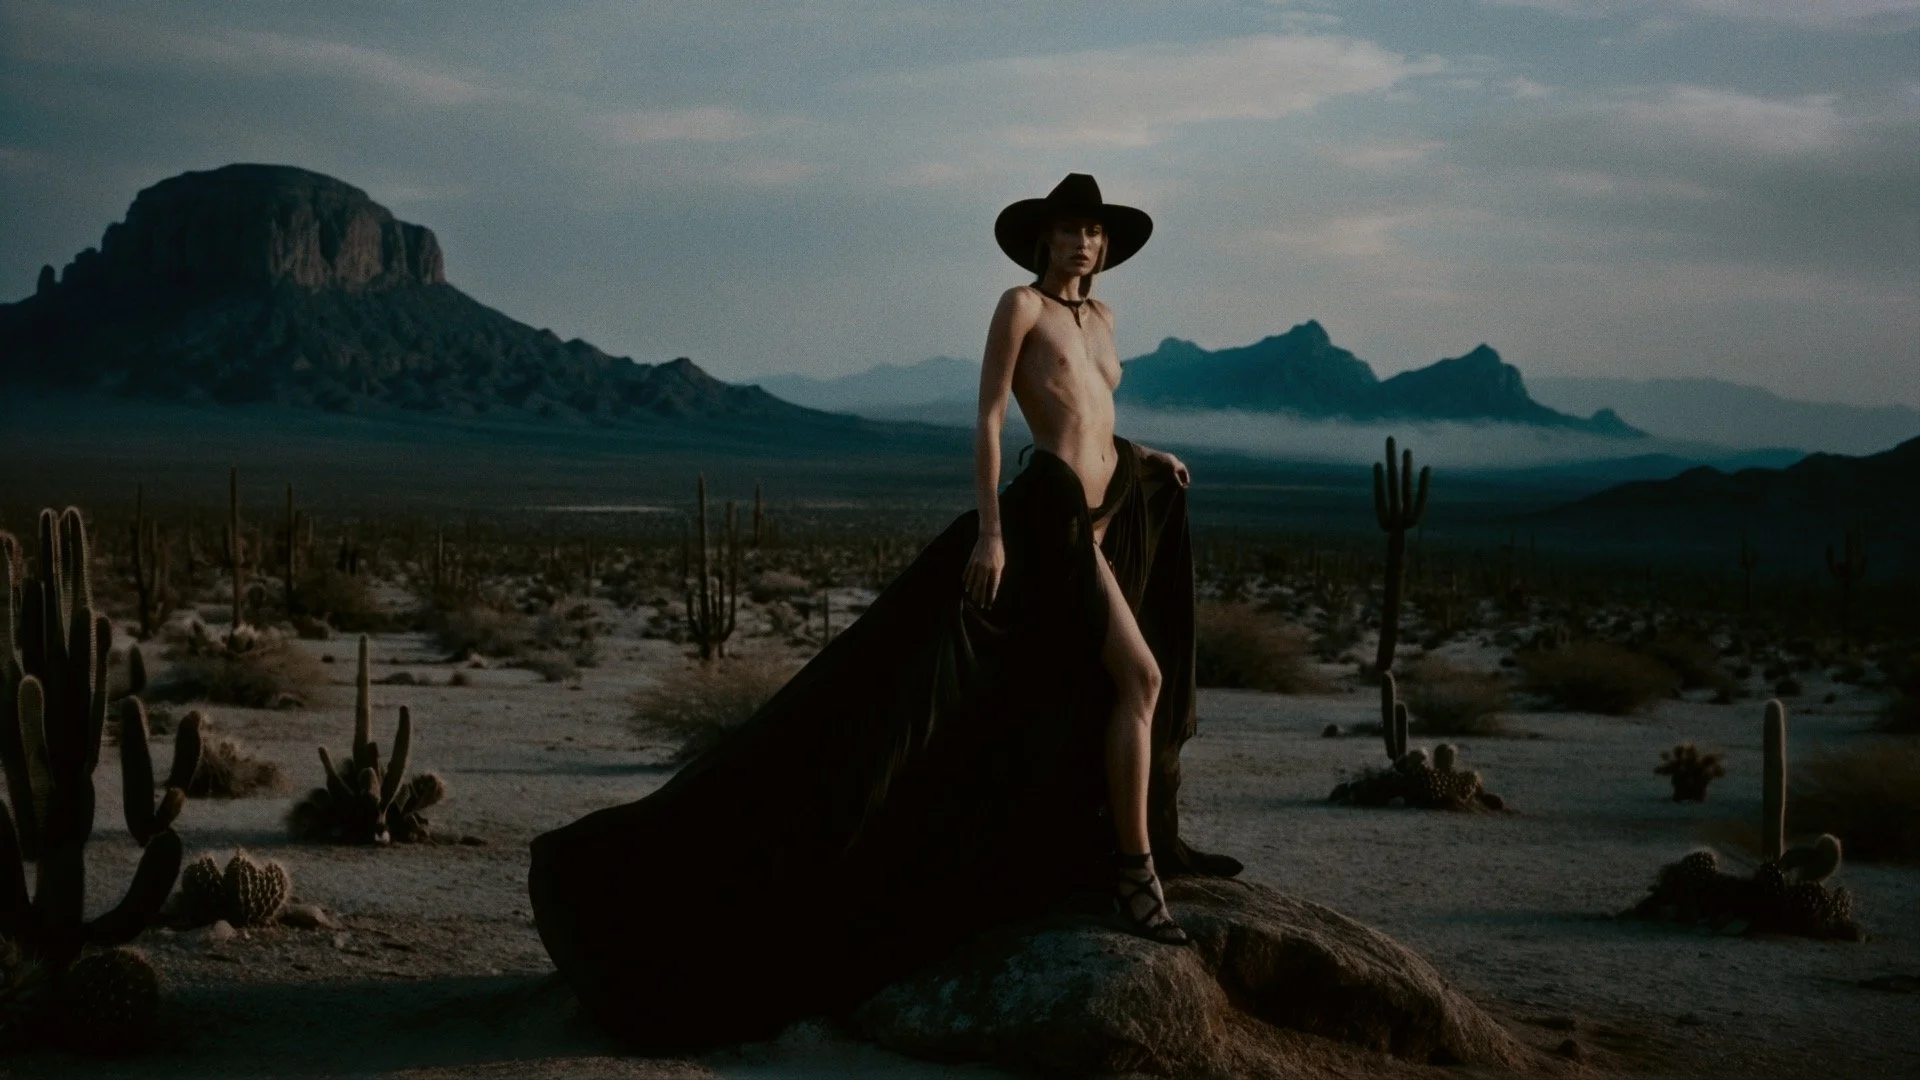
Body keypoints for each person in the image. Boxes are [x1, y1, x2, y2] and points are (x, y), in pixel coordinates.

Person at [527, 173, 1238, 1051]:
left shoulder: (1105, 321)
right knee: (1140, 674)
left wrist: (1145, 455)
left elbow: (1095, 417)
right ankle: (1135, 878)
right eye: (1067, 231)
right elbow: (989, 419)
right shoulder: (1019, 307)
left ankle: (1110, 852)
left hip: (1108, 508)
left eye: (1093, 232)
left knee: (1092, 688)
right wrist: (990, 534)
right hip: (1048, 522)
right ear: (1043, 242)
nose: (1082, 244)